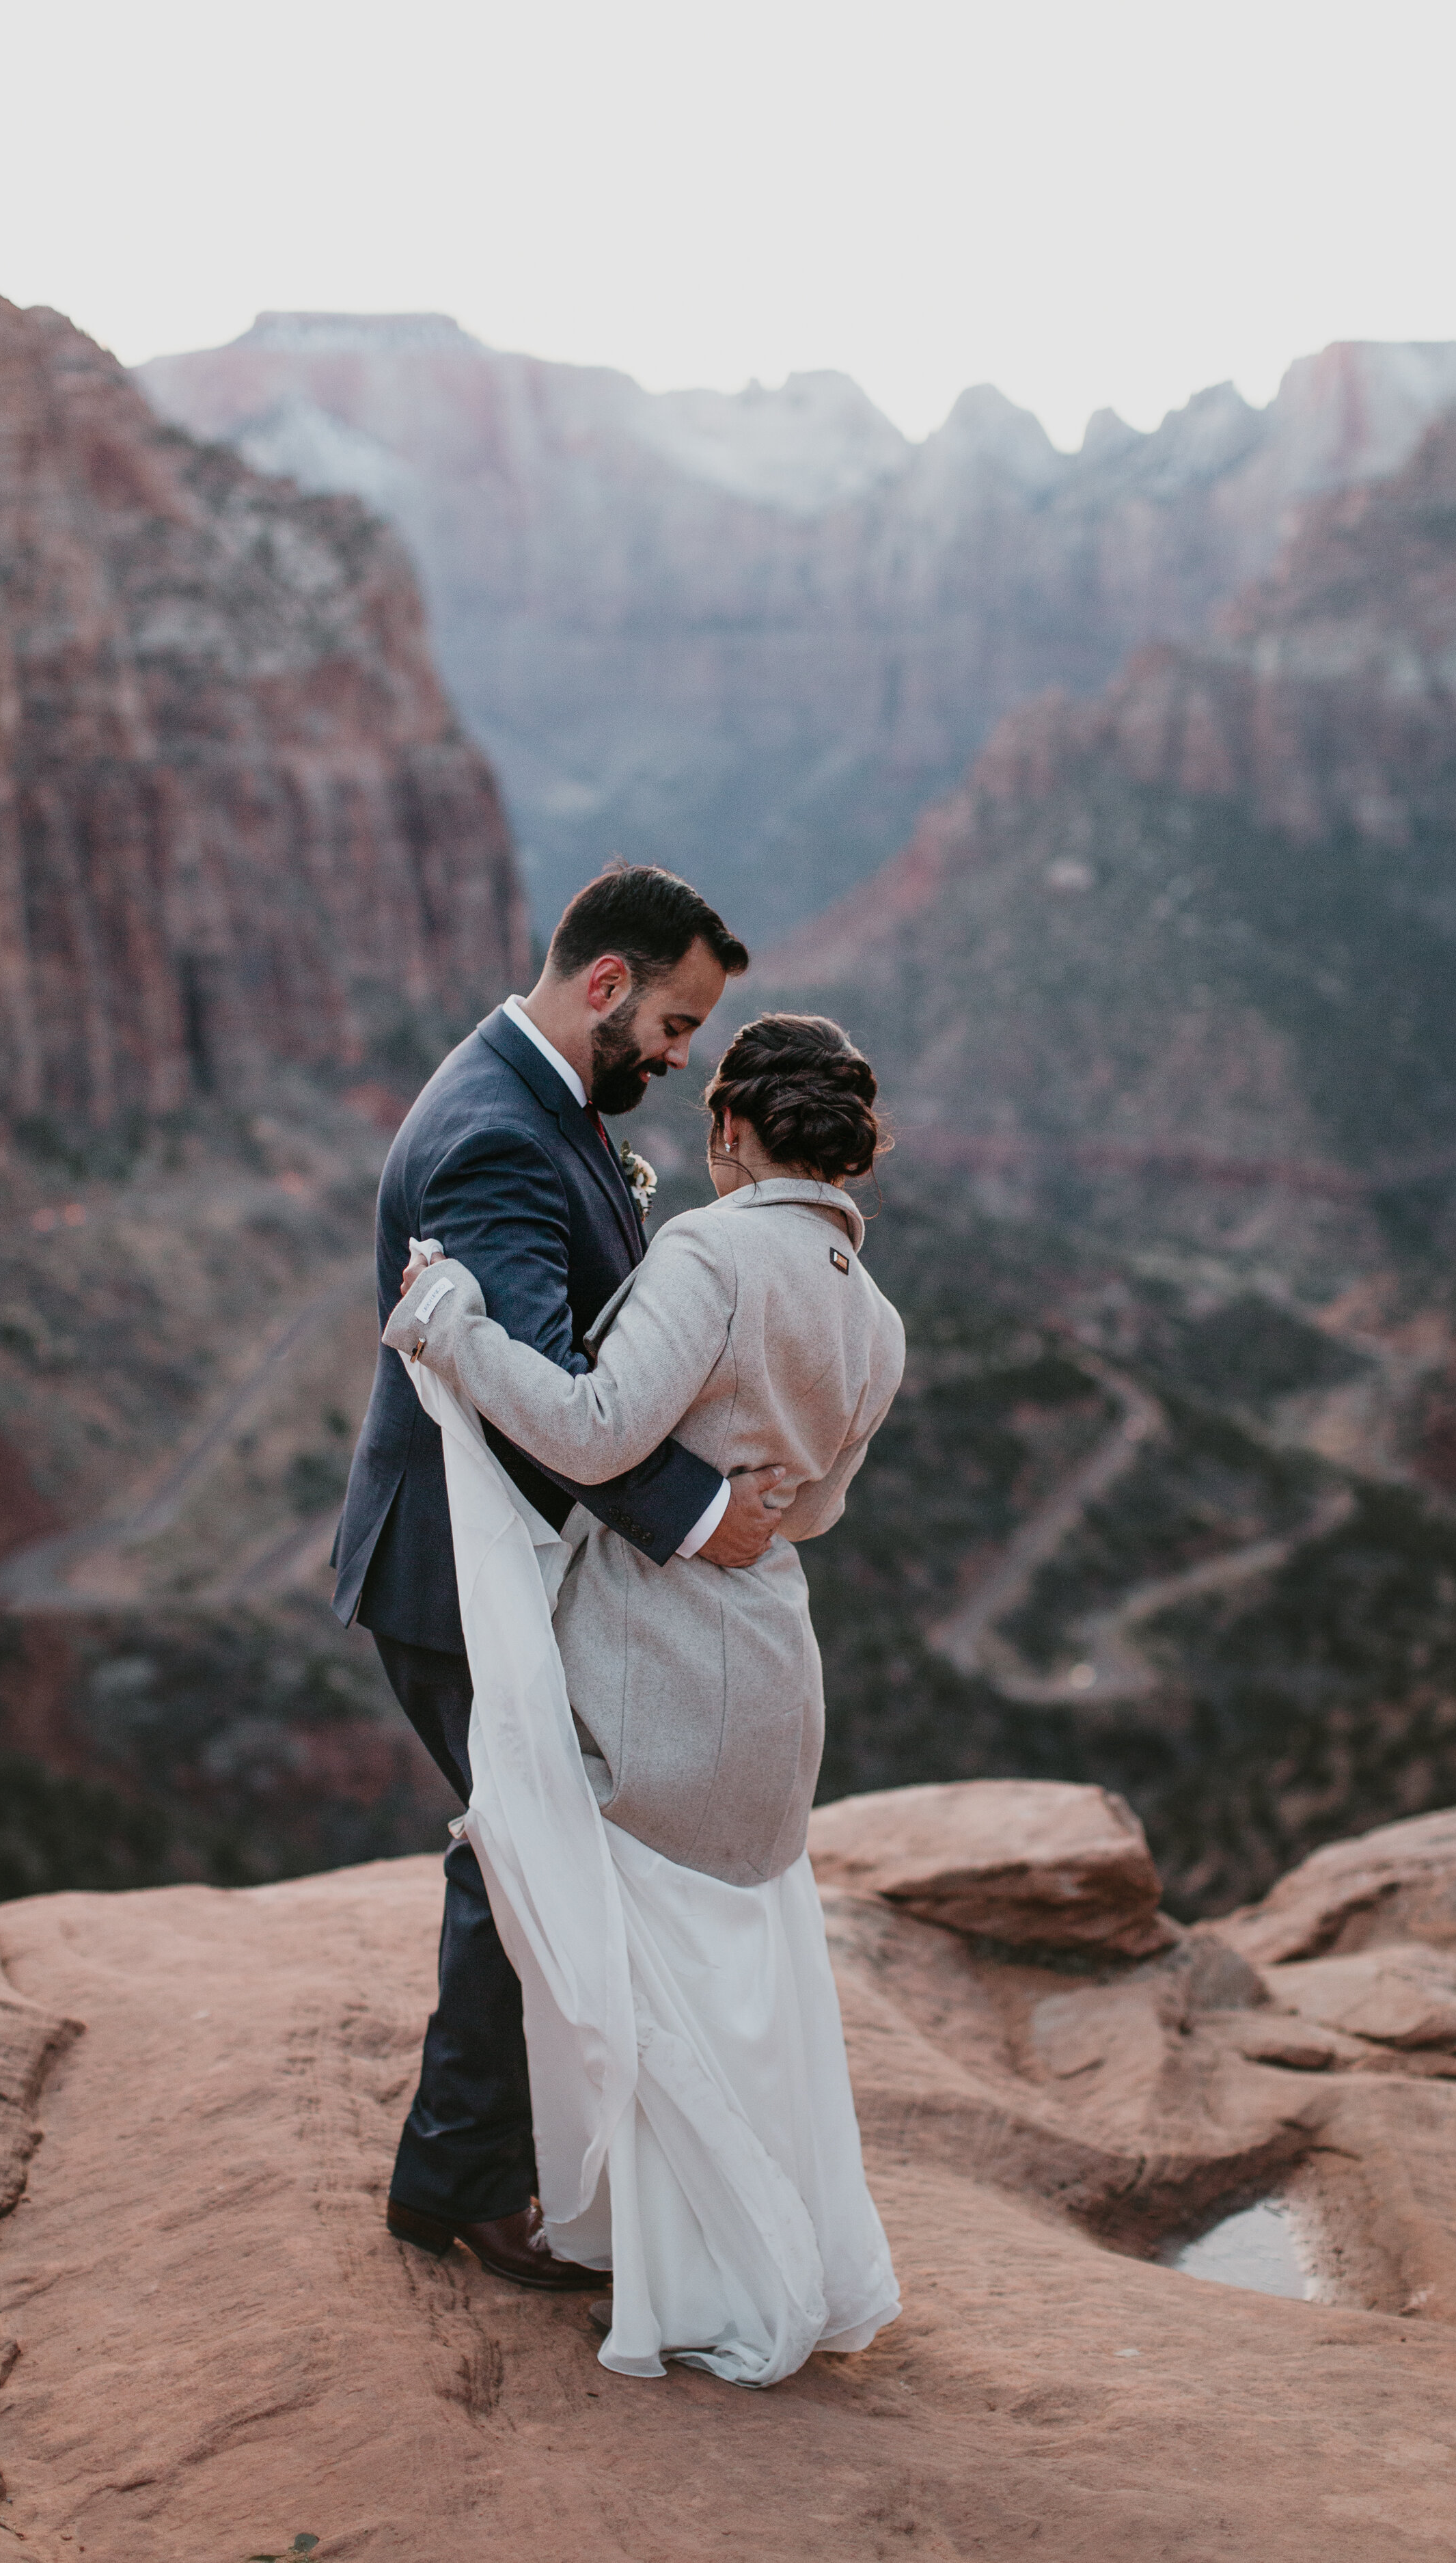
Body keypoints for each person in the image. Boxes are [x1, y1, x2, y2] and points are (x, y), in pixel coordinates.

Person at [386, 1012, 905, 2384]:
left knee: (587, 1916)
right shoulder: (875, 1316)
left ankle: (614, 2222)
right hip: (769, 1660)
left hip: (651, 1655)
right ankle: (678, 2219)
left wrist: (453, 1336)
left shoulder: (711, 1251)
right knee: (726, 1954)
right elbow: (814, 1508)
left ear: (730, 1131)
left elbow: (598, 1430)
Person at [331, 864, 781, 2290]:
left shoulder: (536, 1097)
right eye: (673, 1023)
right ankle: (461, 2182)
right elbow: (542, 1395)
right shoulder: (495, 1137)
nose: (680, 1055)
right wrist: (697, 1514)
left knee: (525, 1846)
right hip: (449, 1564)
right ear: (605, 985)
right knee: (521, 1855)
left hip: (500, 1550)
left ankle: (467, 2167)